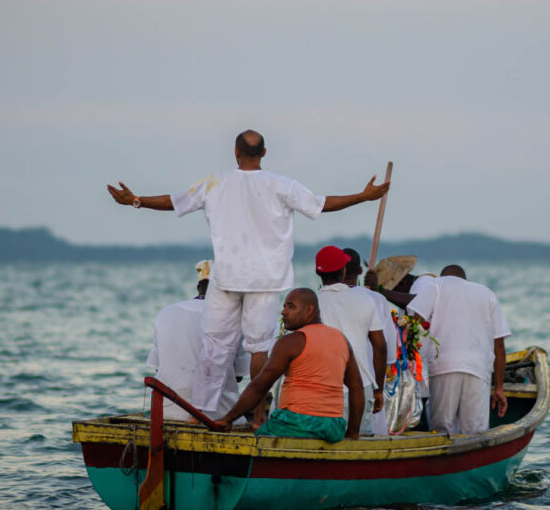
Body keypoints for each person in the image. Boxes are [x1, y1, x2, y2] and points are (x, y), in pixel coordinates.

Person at [107, 129, 389, 414]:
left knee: (215, 346)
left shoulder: (215, 182)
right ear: (265, 153)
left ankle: (202, 412)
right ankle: (257, 416)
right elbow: (323, 204)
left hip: (227, 276)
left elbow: (174, 201)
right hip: (266, 280)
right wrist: (364, 197)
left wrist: (136, 200)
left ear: (235, 152)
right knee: (259, 349)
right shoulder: (281, 185)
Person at [213, 288, 364, 442]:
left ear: (309, 310)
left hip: (296, 423)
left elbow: (260, 386)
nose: (284, 312)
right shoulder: (341, 339)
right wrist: (352, 433)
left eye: (291, 306)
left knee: (258, 438)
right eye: (284, 306)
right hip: (333, 426)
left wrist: (228, 419)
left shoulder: (290, 342)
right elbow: (357, 386)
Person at [401, 265, 511, 435]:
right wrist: (499, 388)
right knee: (475, 430)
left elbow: (415, 324)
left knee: (441, 428)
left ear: (443, 276)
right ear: (464, 279)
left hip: (444, 365)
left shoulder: (435, 285)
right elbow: (499, 345)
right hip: (479, 369)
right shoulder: (486, 293)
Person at [145, 263, 246, 422]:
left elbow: (159, 366)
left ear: (199, 287)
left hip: (166, 412)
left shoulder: (166, 313)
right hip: (216, 416)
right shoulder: (233, 317)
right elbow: (239, 376)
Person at [315, 246, 386, 434]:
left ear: (317, 272)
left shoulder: (312, 303)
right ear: (343, 270)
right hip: (362, 388)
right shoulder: (365, 299)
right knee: (361, 446)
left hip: (323, 388)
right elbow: (380, 347)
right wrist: (379, 389)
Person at [343, 247, 395, 435]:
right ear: (359, 271)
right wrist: (379, 390)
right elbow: (386, 351)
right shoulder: (376, 299)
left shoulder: (320, 298)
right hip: (368, 379)